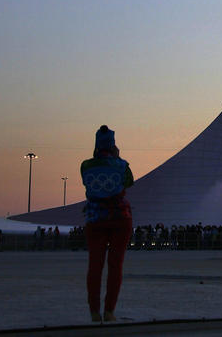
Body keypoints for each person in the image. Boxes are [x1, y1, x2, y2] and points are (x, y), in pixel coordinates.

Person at [81, 125, 134, 323]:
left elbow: (87, 183)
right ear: (113, 145)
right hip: (120, 219)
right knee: (115, 265)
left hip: (95, 219)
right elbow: (128, 182)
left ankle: (94, 311)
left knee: (95, 266)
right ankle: (109, 311)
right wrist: (118, 159)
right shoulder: (121, 165)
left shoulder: (86, 165)